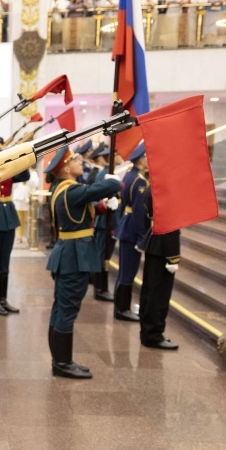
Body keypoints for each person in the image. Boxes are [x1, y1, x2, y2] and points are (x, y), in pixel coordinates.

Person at [44, 145, 122, 379]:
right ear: (66, 168)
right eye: (77, 160)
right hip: (73, 256)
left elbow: (76, 215)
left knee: (61, 307)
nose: (82, 163)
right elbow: (113, 186)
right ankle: (62, 363)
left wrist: (100, 208)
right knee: (67, 309)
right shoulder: (72, 190)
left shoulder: (61, 188)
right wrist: (111, 178)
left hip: (68, 252)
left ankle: (60, 360)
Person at [0, 137, 30, 314]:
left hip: (8, 215)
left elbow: (25, 175)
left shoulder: (9, 171)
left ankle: (3, 299)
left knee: (5, 263)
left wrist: (20, 158)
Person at [137, 185, 180, 350]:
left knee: (149, 291)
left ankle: (147, 332)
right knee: (159, 295)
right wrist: (173, 256)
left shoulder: (152, 186)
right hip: (163, 246)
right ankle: (154, 334)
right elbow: (171, 223)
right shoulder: (166, 190)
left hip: (154, 240)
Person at [114, 143, 149, 322]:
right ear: (141, 159)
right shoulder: (140, 181)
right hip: (131, 230)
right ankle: (122, 309)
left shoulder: (129, 175)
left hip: (125, 226)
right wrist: (141, 238)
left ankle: (120, 307)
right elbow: (139, 212)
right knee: (128, 272)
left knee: (124, 271)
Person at [89, 143, 118, 301]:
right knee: (102, 255)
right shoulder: (106, 174)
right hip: (103, 221)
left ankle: (101, 287)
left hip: (109, 220)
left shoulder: (108, 173)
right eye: (117, 154)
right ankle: (100, 288)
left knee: (104, 255)